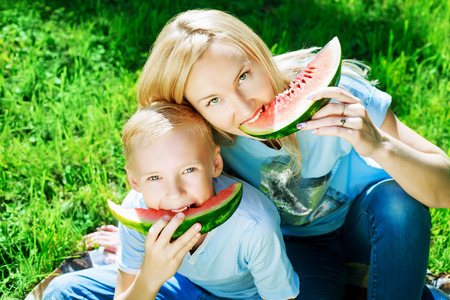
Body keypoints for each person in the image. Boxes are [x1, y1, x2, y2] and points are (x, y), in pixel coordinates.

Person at [43, 8, 450, 300]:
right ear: (193, 113)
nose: (243, 106)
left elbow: (445, 188)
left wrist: (380, 145)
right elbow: (163, 175)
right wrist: (144, 234)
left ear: (258, 53)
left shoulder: (333, 95)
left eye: (244, 75)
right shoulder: (209, 142)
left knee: (398, 201)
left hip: (363, 227)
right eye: (214, 99)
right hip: (288, 251)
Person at [114, 102, 299, 299]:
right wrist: (149, 277)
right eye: (154, 177)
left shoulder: (255, 226)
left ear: (215, 163)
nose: (175, 193)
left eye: (188, 170)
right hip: (175, 283)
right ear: (134, 180)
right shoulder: (135, 212)